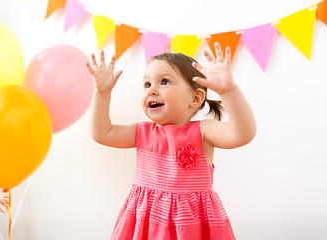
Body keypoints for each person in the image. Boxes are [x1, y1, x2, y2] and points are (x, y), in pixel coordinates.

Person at [86, 42, 256, 240]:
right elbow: (102, 133)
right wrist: (102, 94)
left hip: (190, 227)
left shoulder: (202, 131)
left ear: (195, 98)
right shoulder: (142, 132)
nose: (152, 90)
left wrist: (229, 91)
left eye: (164, 82)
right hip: (146, 223)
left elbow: (242, 133)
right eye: (147, 84)